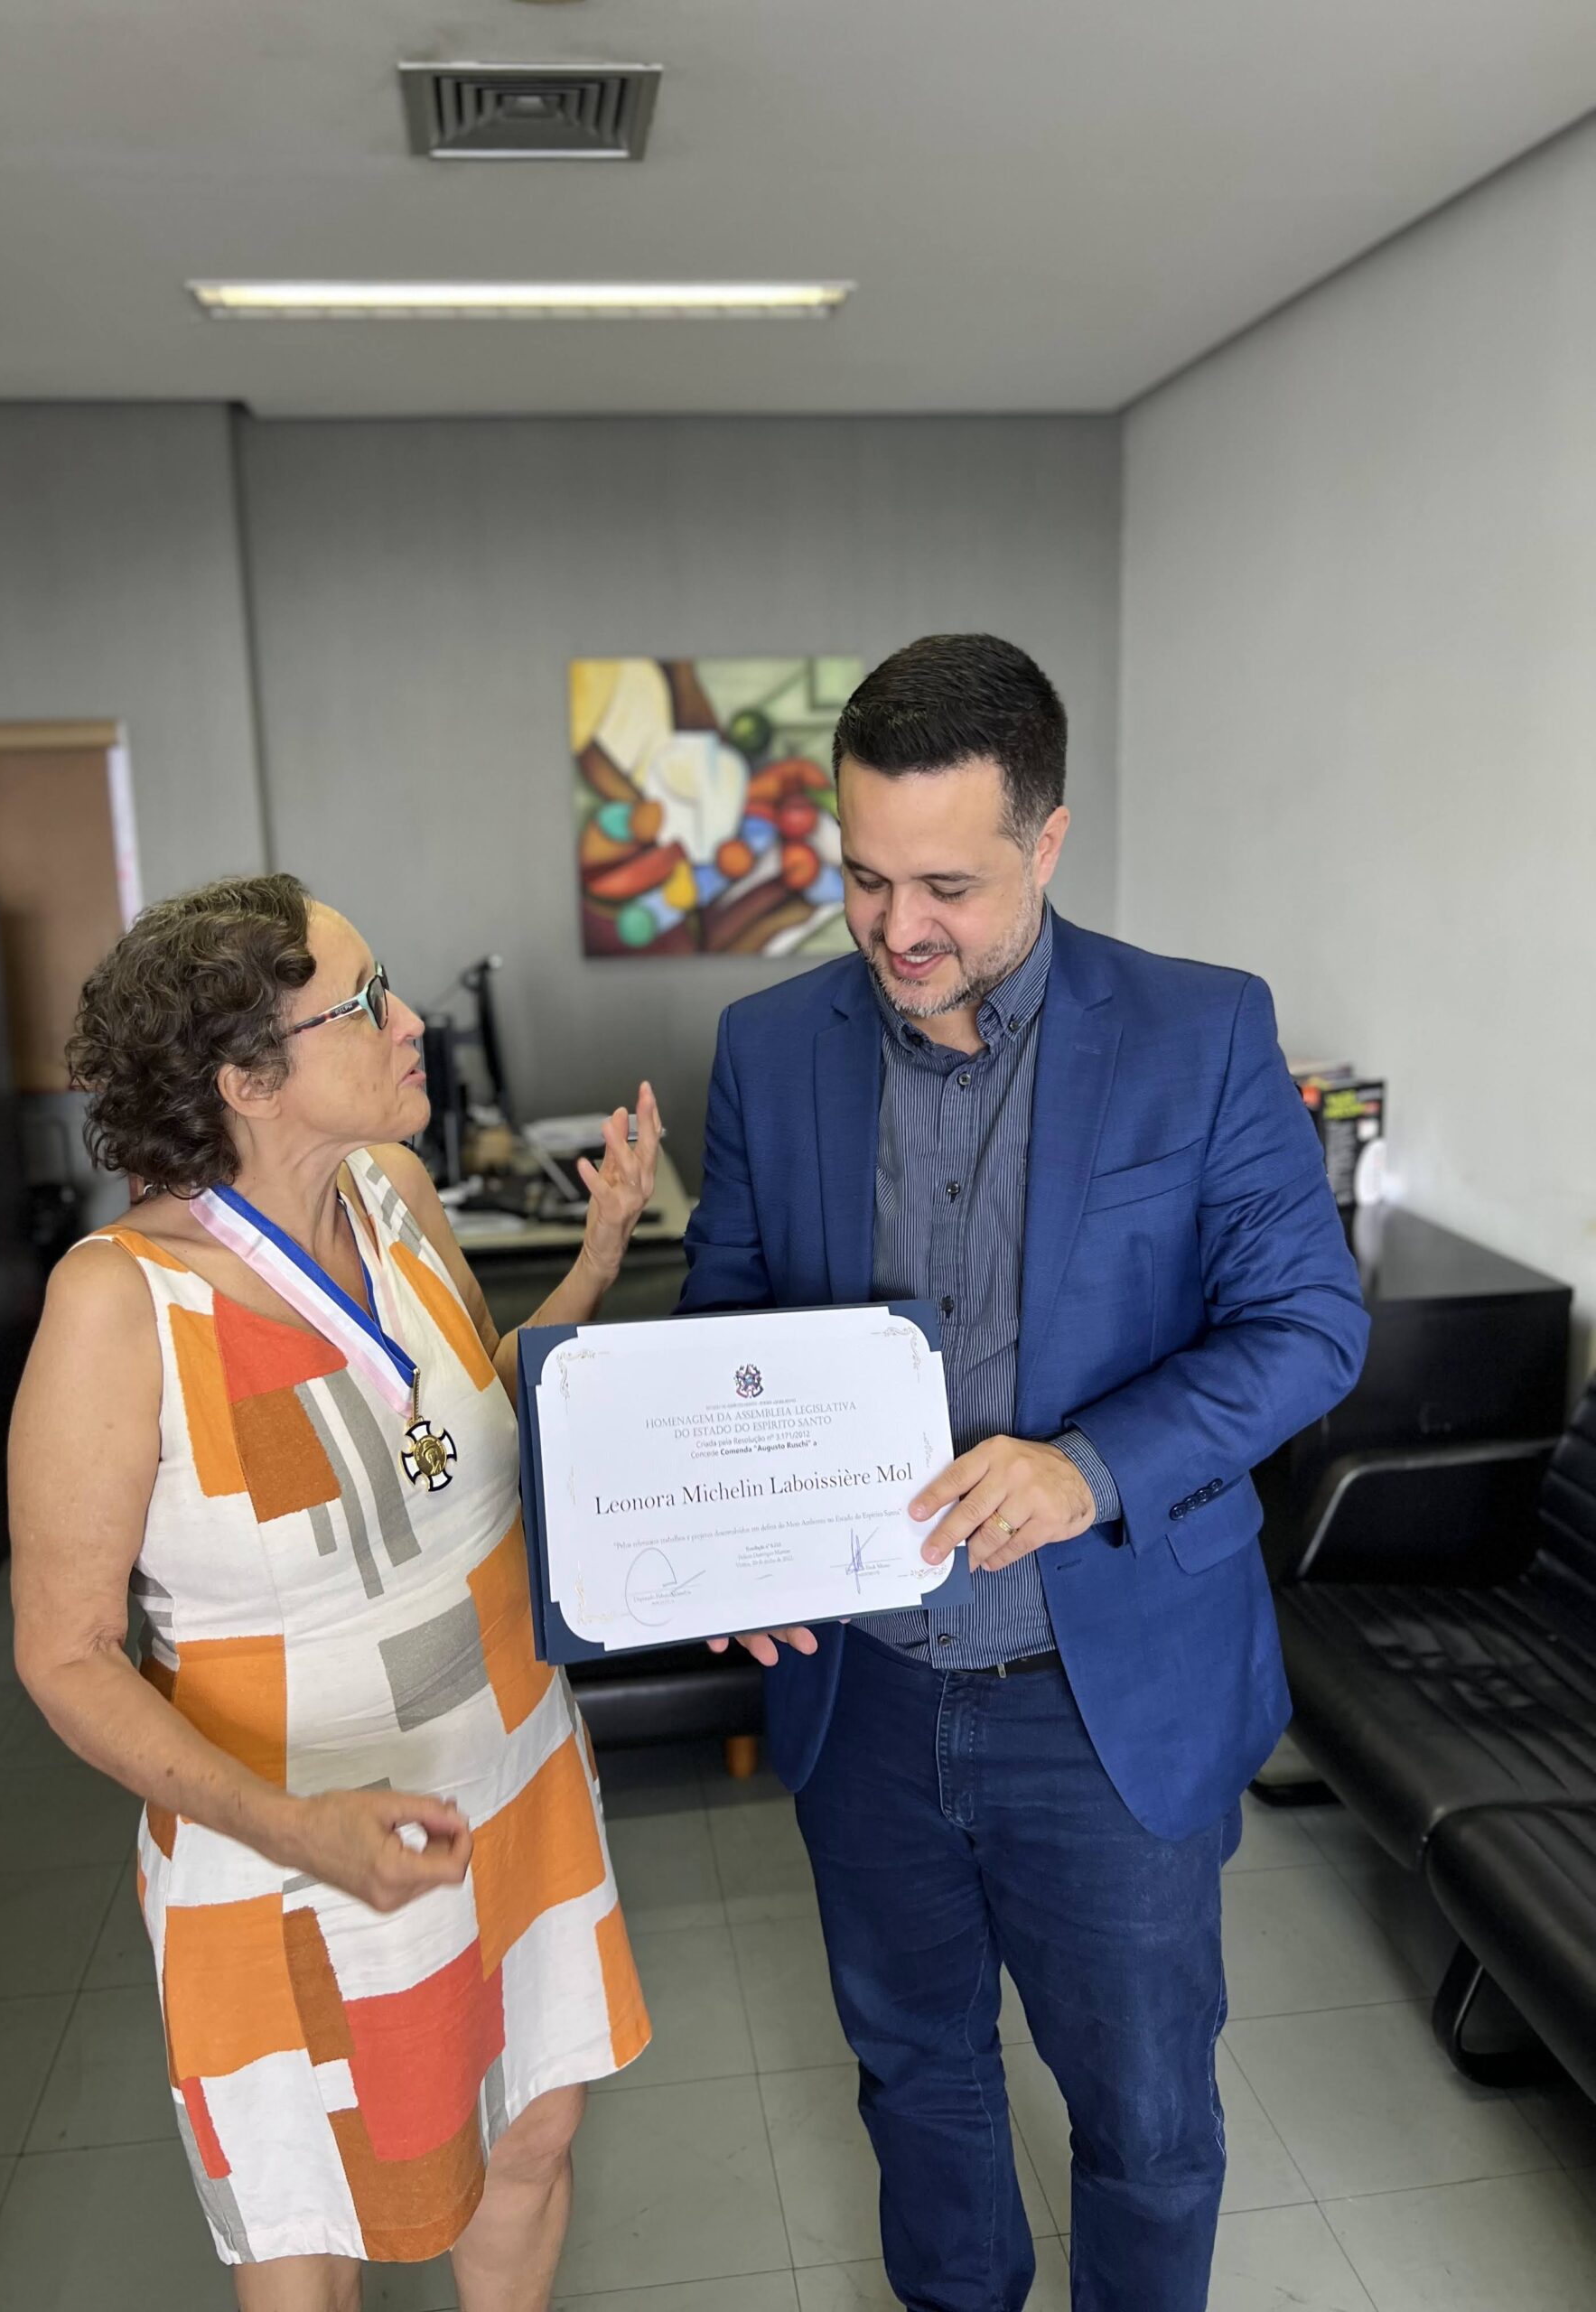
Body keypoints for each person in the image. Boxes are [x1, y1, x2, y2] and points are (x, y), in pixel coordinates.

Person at [683, 634, 1369, 2312]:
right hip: (866, 1697)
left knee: (1145, 2120)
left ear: (1047, 842)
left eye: (948, 886)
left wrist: (1089, 1468)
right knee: (917, 2078)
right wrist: (733, 1542)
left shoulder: (1202, 1033)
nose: (897, 929)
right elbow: (723, 1331)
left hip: (1104, 1699)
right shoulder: (769, 1048)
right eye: (864, 879)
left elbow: (1310, 1326)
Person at [10, 872, 659, 2312]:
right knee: (311, 2221)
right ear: (247, 1079)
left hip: (510, 1778)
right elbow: (63, 1653)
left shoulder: (396, 1197)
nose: (411, 1021)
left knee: (530, 2136)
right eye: (366, 1003)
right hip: (289, 1845)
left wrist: (598, 1261)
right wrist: (293, 1827)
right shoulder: (119, 1304)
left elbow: (462, 1423)